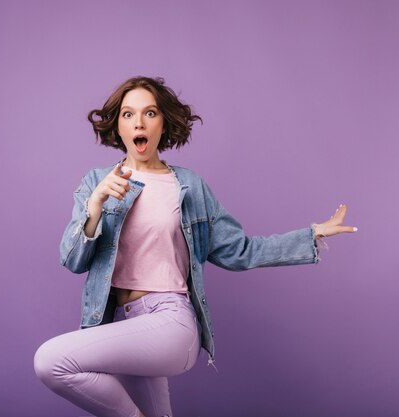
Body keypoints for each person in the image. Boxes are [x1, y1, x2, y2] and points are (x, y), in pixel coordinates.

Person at [33, 76, 357, 417]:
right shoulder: (96, 182)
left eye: (149, 113)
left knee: (51, 360)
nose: (138, 122)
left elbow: (240, 250)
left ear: (163, 123)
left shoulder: (188, 186)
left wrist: (310, 236)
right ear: (118, 124)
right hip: (119, 322)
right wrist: (95, 204)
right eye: (128, 114)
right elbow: (72, 260)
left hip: (170, 322)